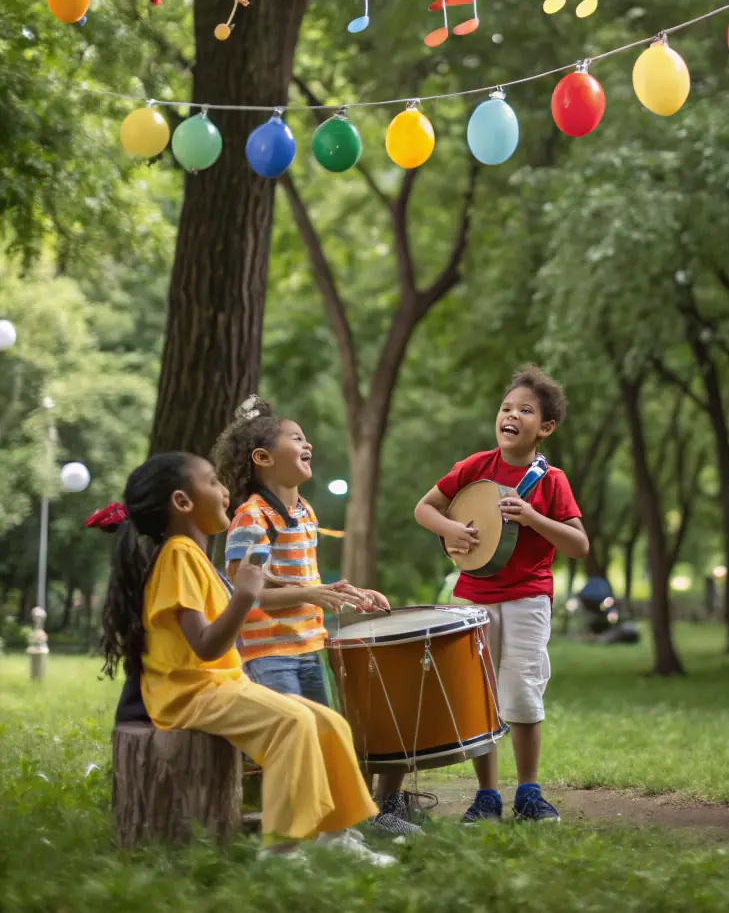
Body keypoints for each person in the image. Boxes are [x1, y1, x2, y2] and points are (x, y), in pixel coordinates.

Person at [98, 449, 391, 862]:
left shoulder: (195, 558)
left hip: (218, 685)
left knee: (328, 722)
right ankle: (282, 851)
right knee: (293, 723)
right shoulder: (178, 554)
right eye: (213, 481)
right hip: (189, 694)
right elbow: (206, 645)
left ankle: (335, 835)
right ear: (182, 502)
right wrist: (245, 598)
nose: (223, 490)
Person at [213, 395, 419, 840]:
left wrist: (343, 591)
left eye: (307, 439)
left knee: (324, 740)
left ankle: (334, 831)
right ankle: (293, 838)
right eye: (296, 438)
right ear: (263, 458)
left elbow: (292, 581)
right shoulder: (251, 516)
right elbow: (246, 593)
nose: (307, 445)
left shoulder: (305, 513)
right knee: (293, 747)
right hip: (269, 655)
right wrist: (314, 593)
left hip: (309, 648)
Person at [414, 364, 589, 823]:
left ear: (545, 428)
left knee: (523, 693)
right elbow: (425, 508)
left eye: (525, 410)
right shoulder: (475, 467)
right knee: (480, 695)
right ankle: (487, 794)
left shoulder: (551, 481)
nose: (511, 415)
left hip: (529, 599)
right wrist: (452, 529)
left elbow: (579, 545)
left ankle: (529, 791)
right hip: (473, 597)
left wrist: (533, 518)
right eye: (506, 407)